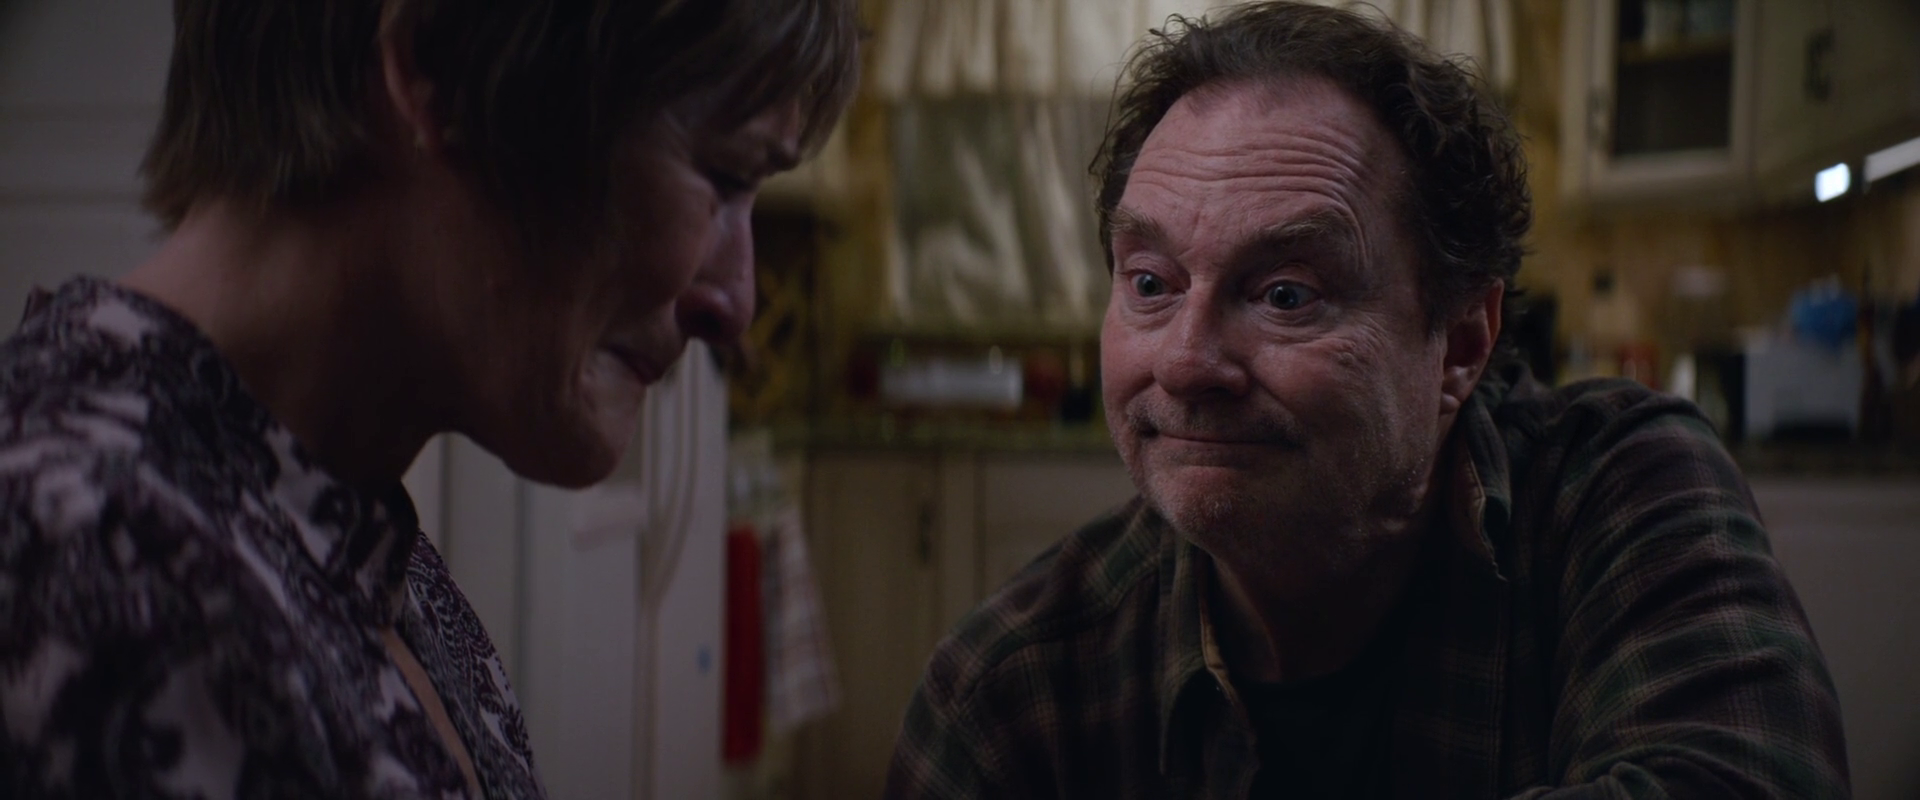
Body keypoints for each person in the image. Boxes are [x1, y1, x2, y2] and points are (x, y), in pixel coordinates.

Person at [887, 3, 1848, 798]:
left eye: (1286, 295)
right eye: (1149, 283)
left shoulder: (1619, 496)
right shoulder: (1011, 694)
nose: (1184, 364)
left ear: (1459, 344)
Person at [0, 0, 857, 797]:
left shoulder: (339, 528)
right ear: (439, 68)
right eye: (723, 174)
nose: (735, 303)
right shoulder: (98, 560)